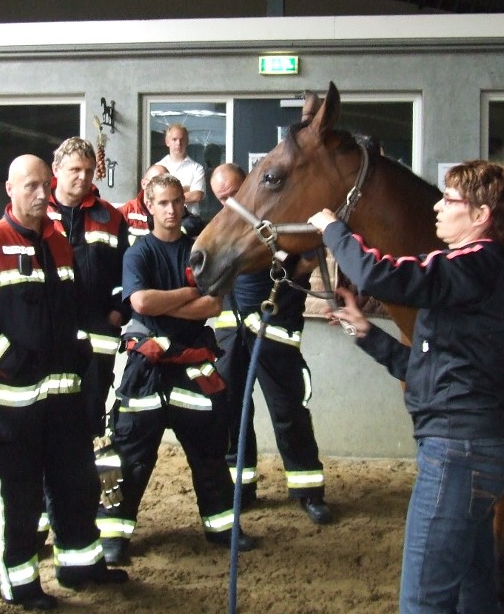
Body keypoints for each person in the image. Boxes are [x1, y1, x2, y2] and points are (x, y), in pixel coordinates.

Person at [308, 160, 504, 614]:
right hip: (477, 449)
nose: (438, 206)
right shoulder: (488, 275)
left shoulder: (473, 264)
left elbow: (381, 275)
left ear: (480, 216)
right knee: (475, 595)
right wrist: (366, 333)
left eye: (450, 199)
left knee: (423, 602)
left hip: (456, 453)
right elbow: (427, 368)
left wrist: (334, 229)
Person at [0, 155, 127, 611]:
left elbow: (73, 311)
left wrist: (81, 355)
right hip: (14, 406)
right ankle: (19, 585)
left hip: (65, 399)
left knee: (76, 485)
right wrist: (10, 362)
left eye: (45, 186)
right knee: (18, 498)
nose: (41, 195)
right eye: (30, 186)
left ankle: (81, 566)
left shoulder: (60, 245)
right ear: (9, 189)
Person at [96, 173, 256, 565]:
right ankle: (113, 535)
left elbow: (213, 306)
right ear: (149, 205)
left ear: (185, 204)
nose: (171, 210)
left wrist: (168, 301)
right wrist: (189, 294)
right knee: (127, 455)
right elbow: (142, 304)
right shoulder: (139, 253)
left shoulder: (196, 250)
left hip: (193, 369)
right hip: (145, 370)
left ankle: (222, 528)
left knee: (209, 453)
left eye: (177, 202)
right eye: (163, 203)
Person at [210, 163, 331, 524]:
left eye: (235, 192)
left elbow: (309, 253)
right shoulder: (221, 229)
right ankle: (239, 488)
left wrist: (303, 264)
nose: (230, 202)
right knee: (230, 409)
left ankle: (308, 490)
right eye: (222, 198)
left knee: (289, 411)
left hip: (274, 330)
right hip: (231, 334)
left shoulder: (278, 222)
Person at [49, 137, 130, 439]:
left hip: (98, 333)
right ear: (56, 169)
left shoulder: (110, 217)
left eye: (88, 170)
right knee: (52, 412)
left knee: (90, 411)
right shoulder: (36, 211)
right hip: (51, 331)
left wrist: (118, 312)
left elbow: (126, 272)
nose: (83, 177)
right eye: (74, 170)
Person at [119, 163, 204, 245]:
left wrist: (178, 232)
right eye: (155, 182)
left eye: (167, 182)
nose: (163, 187)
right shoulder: (126, 212)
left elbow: (195, 223)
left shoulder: (173, 209)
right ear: (143, 184)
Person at [156, 124, 206, 216]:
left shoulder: (197, 168)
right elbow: (155, 196)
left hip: (190, 221)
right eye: (174, 139)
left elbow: (197, 195)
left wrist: (166, 196)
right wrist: (186, 189)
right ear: (167, 142)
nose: (178, 143)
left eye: (182, 139)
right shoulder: (158, 167)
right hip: (165, 219)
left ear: (187, 142)